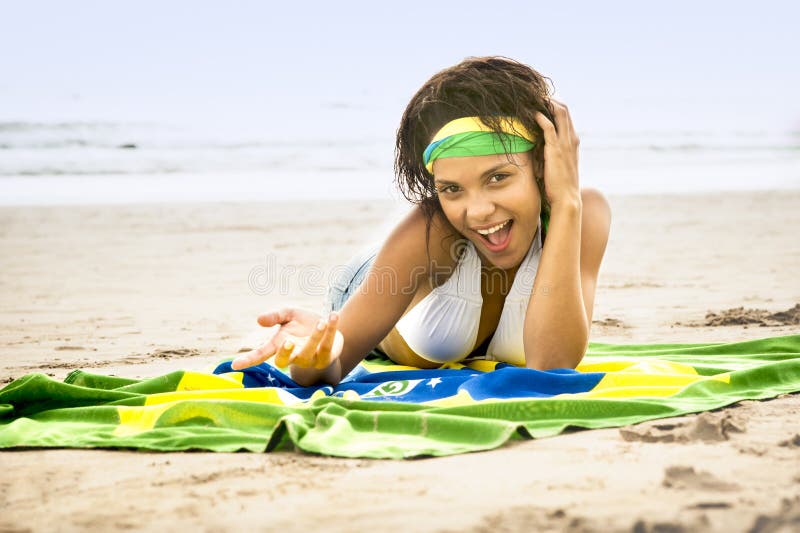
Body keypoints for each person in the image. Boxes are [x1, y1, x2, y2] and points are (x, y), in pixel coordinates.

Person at [231, 56, 611, 387]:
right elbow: (329, 367)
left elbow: (551, 366)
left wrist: (566, 204)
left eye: (498, 178)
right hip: (371, 277)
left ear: (544, 164)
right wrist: (313, 357)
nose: (476, 211)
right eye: (451, 189)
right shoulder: (430, 232)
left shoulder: (581, 213)